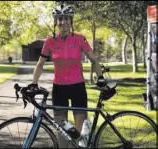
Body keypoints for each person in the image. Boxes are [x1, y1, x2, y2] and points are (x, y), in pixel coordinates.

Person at [30, 4, 105, 148]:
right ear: (55, 21)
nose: (63, 22)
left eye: (66, 18)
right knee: (62, 131)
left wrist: (100, 78)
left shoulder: (79, 39)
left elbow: (94, 60)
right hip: (59, 89)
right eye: (59, 19)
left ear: (71, 21)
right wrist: (34, 83)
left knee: (77, 132)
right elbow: (40, 64)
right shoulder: (50, 42)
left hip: (77, 87)